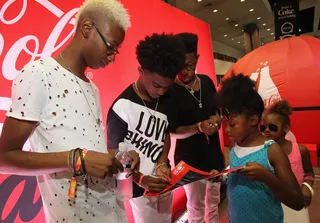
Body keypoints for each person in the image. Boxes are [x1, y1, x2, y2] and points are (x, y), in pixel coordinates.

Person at [0, 0, 140, 222]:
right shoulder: (39, 74)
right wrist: (77, 159)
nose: (112, 57)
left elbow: (85, 146)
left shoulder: (91, 87)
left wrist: (117, 159)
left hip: (111, 212)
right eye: (111, 46)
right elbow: (4, 159)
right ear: (86, 28)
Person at [106, 33, 186, 223]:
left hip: (163, 179)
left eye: (167, 86)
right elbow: (113, 152)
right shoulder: (122, 106)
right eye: (157, 85)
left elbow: (165, 132)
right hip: (138, 188)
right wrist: (140, 179)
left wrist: (162, 162)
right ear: (141, 70)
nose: (161, 91)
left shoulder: (169, 97)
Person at [216, 74, 304, 223]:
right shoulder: (235, 147)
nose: (227, 130)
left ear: (253, 120)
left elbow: (297, 202)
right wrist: (224, 176)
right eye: (225, 124)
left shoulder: (271, 151)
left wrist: (267, 177)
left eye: (232, 125)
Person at [167, 32, 224, 223]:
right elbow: (172, 131)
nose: (184, 71)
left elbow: (218, 111)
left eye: (189, 66)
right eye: (179, 66)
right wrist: (199, 127)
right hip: (189, 160)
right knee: (195, 207)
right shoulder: (170, 91)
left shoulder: (207, 82)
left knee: (214, 203)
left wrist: (217, 120)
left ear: (197, 59)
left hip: (213, 154)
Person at [262, 99, 315, 223]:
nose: (266, 130)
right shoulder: (263, 152)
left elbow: (309, 173)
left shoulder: (301, 150)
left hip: (294, 203)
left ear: (286, 128)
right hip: (271, 203)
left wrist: (307, 187)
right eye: (263, 127)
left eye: (273, 127)